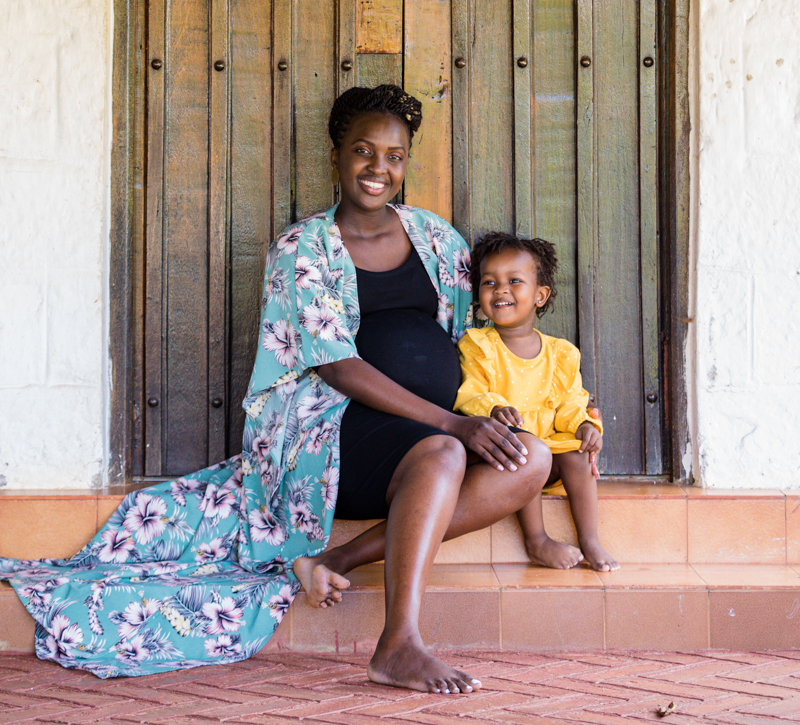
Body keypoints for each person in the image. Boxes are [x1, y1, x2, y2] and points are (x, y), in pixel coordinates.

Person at [0, 85, 552, 691]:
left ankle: (337, 560)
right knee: (447, 450)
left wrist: (500, 407)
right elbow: (334, 364)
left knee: (534, 458)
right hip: (335, 434)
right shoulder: (302, 248)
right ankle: (399, 644)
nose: (379, 169)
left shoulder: (439, 240)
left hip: (427, 432)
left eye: (395, 156)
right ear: (336, 156)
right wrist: (453, 424)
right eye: (364, 151)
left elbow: (474, 336)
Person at [454, 232, 619, 572]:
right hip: (506, 458)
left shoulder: (561, 354)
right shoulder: (478, 344)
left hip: (551, 457)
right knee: (526, 448)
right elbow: (471, 391)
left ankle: (589, 538)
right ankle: (537, 540)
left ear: (540, 295)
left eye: (514, 281)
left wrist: (586, 425)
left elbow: (572, 401)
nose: (500, 290)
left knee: (577, 451)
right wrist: (495, 409)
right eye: (489, 282)